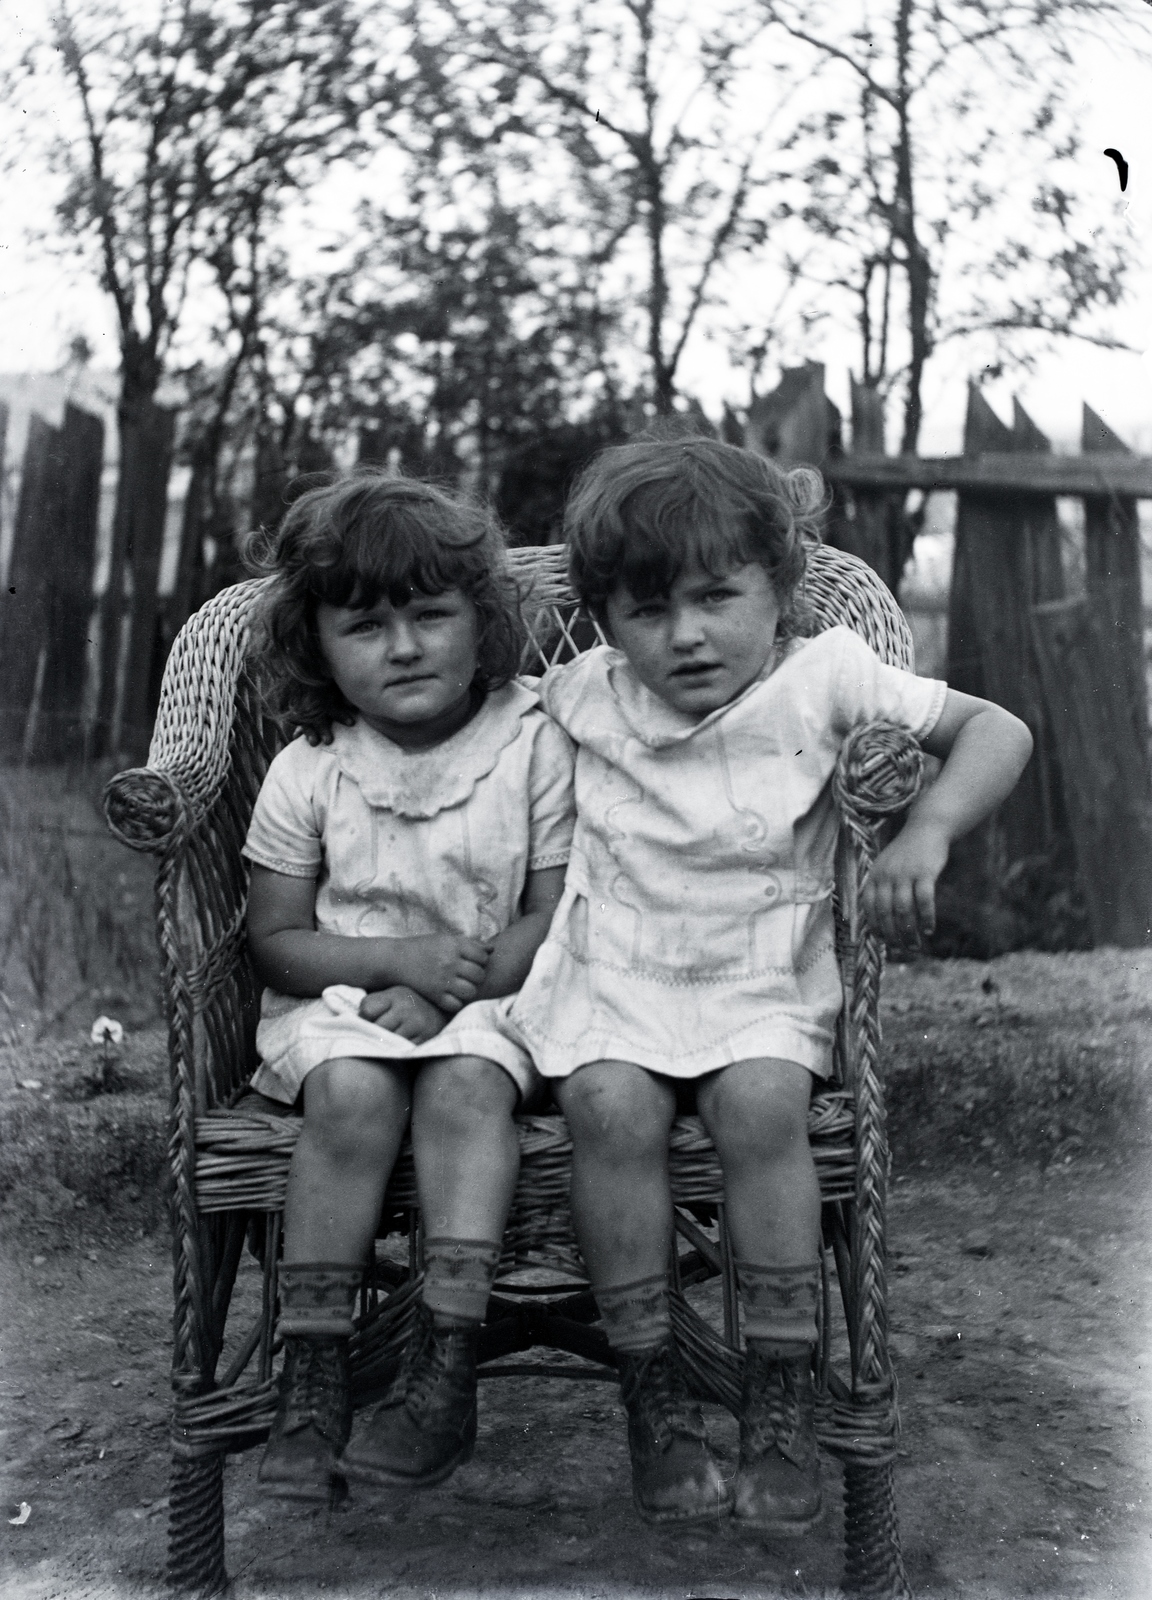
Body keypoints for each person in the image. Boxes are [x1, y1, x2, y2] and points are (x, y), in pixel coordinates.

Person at [507, 436, 1033, 1534]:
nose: (687, 633)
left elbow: (998, 729)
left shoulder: (825, 672)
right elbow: (459, 740)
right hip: (616, 970)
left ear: (779, 590)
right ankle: (654, 1397)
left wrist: (926, 831)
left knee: (761, 1105)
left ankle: (781, 1397)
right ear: (603, 615)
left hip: (759, 970)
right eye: (648, 610)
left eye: (717, 596)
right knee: (607, 1105)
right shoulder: (580, 696)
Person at [241, 471, 574, 1505]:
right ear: (317, 644)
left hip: (505, 995)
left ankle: (444, 1357)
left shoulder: (534, 739)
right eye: (366, 625)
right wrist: (395, 965)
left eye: (432, 615)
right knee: (349, 1093)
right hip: (344, 1004)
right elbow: (278, 943)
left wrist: (449, 988)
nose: (404, 646)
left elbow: (559, 913)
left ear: (483, 620)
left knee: (468, 1084)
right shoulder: (312, 766)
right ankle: (315, 1370)